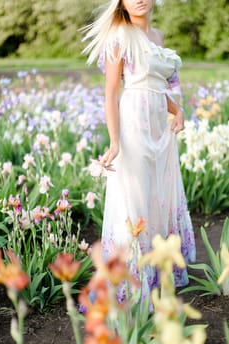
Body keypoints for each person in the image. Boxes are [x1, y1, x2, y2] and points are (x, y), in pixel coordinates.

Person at [82, 0, 196, 302]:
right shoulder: (120, 36)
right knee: (134, 199)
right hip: (133, 126)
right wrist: (115, 141)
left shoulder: (157, 36)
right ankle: (131, 281)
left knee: (158, 196)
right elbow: (111, 92)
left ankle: (155, 270)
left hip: (161, 130)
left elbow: (157, 85)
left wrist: (178, 111)